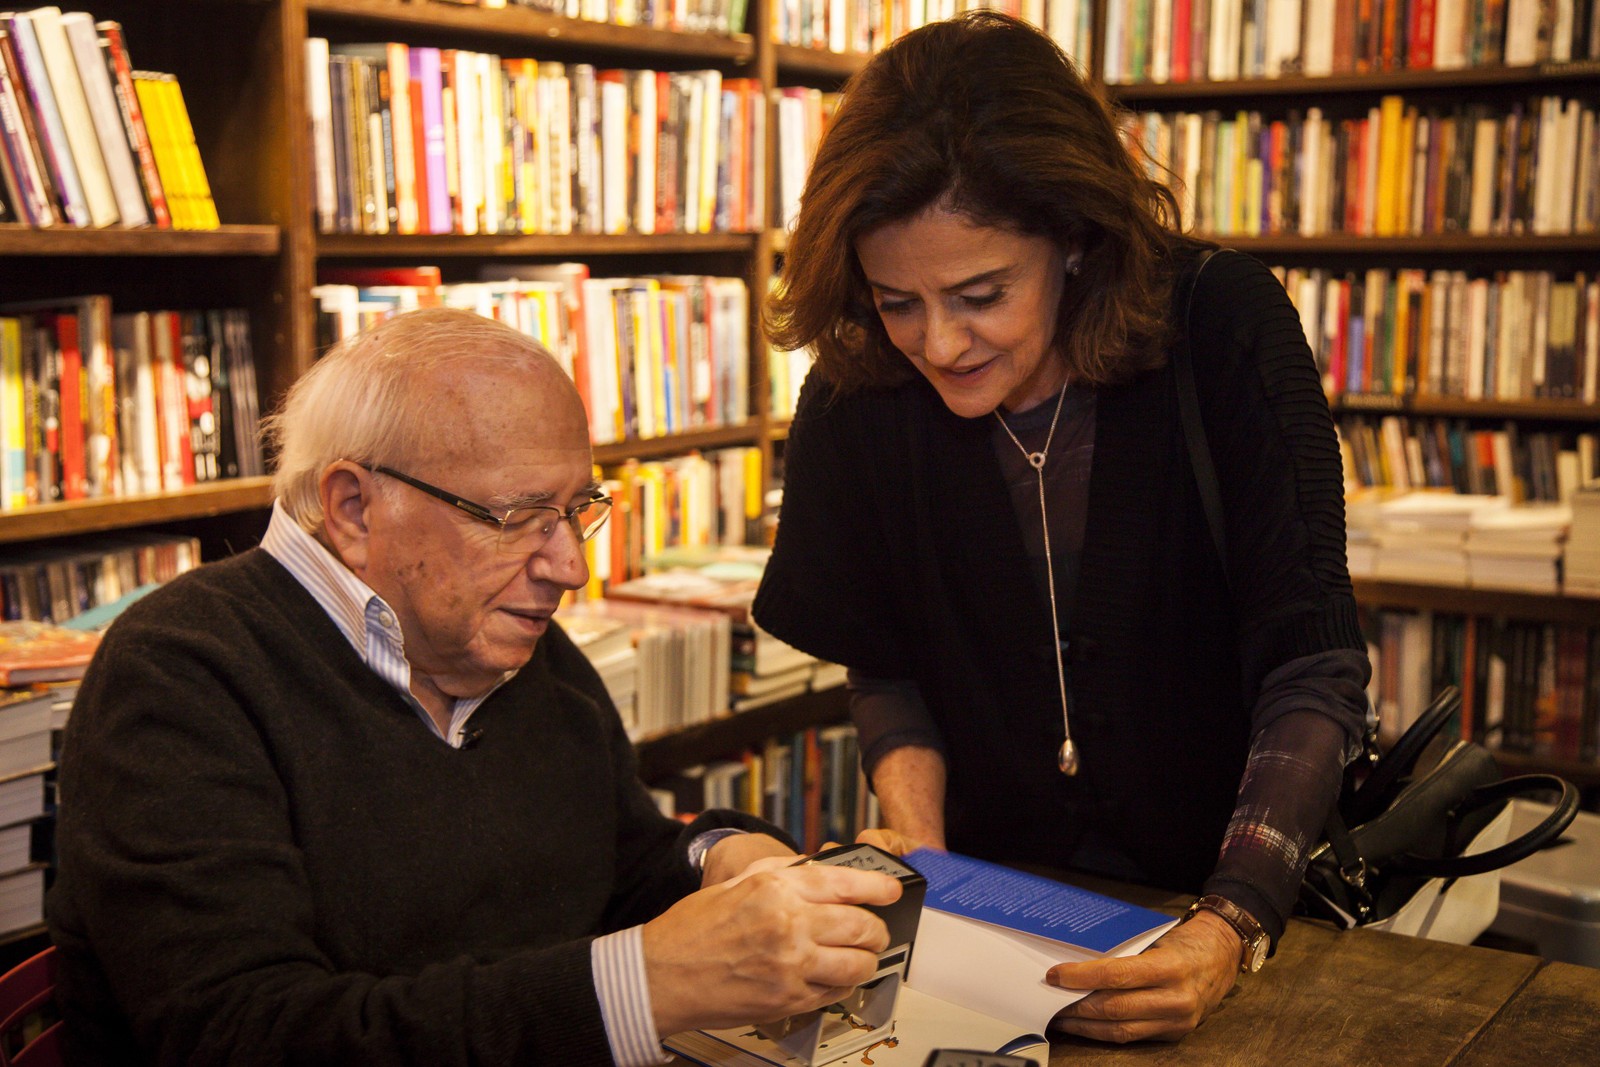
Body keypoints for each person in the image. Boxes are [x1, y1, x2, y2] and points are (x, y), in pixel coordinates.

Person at [46, 308, 903, 1066]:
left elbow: (618, 862)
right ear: (352, 508)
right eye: (519, 517)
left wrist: (723, 859)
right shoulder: (180, 672)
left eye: (577, 509)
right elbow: (244, 1035)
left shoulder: (516, 650)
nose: (569, 564)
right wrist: (642, 987)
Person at [753, 11, 1372, 1044]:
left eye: (980, 293)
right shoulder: (860, 378)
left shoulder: (1219, 324)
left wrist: (1228, 924)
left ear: (1075, 236)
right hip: (994, 923)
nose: (938, 343)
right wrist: (917, 839)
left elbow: (1312, 664)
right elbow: (884, 660)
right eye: (897, 298)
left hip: (1237, 901)